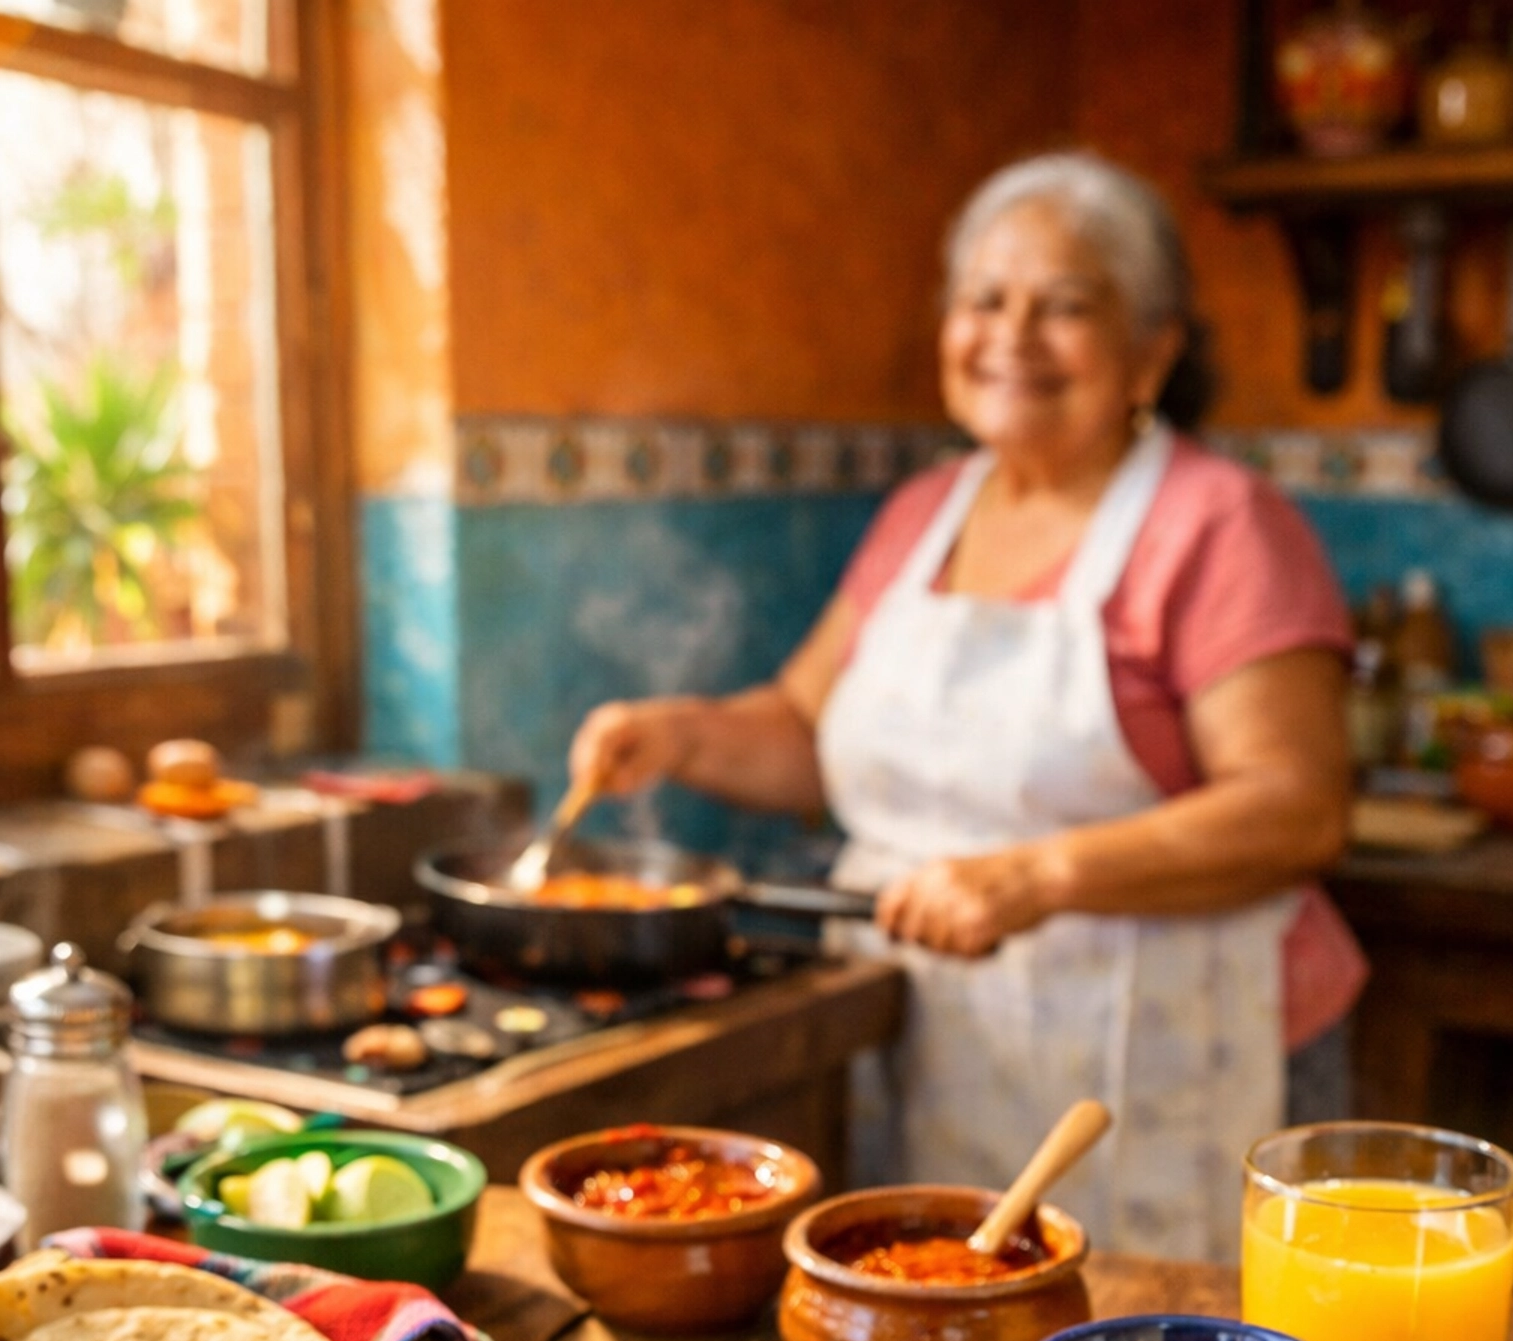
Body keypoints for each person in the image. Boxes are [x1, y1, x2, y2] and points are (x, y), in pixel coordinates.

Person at [567, 153, 1363, 1259]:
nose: (1011, 336)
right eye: (984, 299)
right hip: (939, 1035)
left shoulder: (1221, 524)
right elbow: (807, 733)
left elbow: (1295, 810)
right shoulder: (925, 511)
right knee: (945, 1331)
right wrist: (681, 736)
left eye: (1066, 306)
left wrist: (1032, 875)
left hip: (1172, 1046)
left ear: (1153, 348)